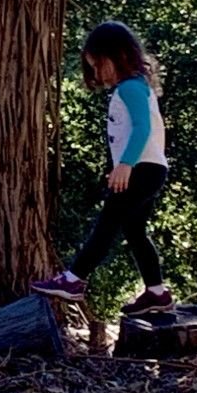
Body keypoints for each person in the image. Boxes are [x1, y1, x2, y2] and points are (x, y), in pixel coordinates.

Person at [32, 22, 173, 316]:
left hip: (141, 169)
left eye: (98, 65)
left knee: (107, 224)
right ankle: (157, 293)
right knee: (134, 230)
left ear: (118, 56)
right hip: (150, 170)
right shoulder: (136, 87)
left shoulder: (130, 88)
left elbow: (142, 128)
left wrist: (126, 165)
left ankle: (73, 280)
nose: (97, 74)